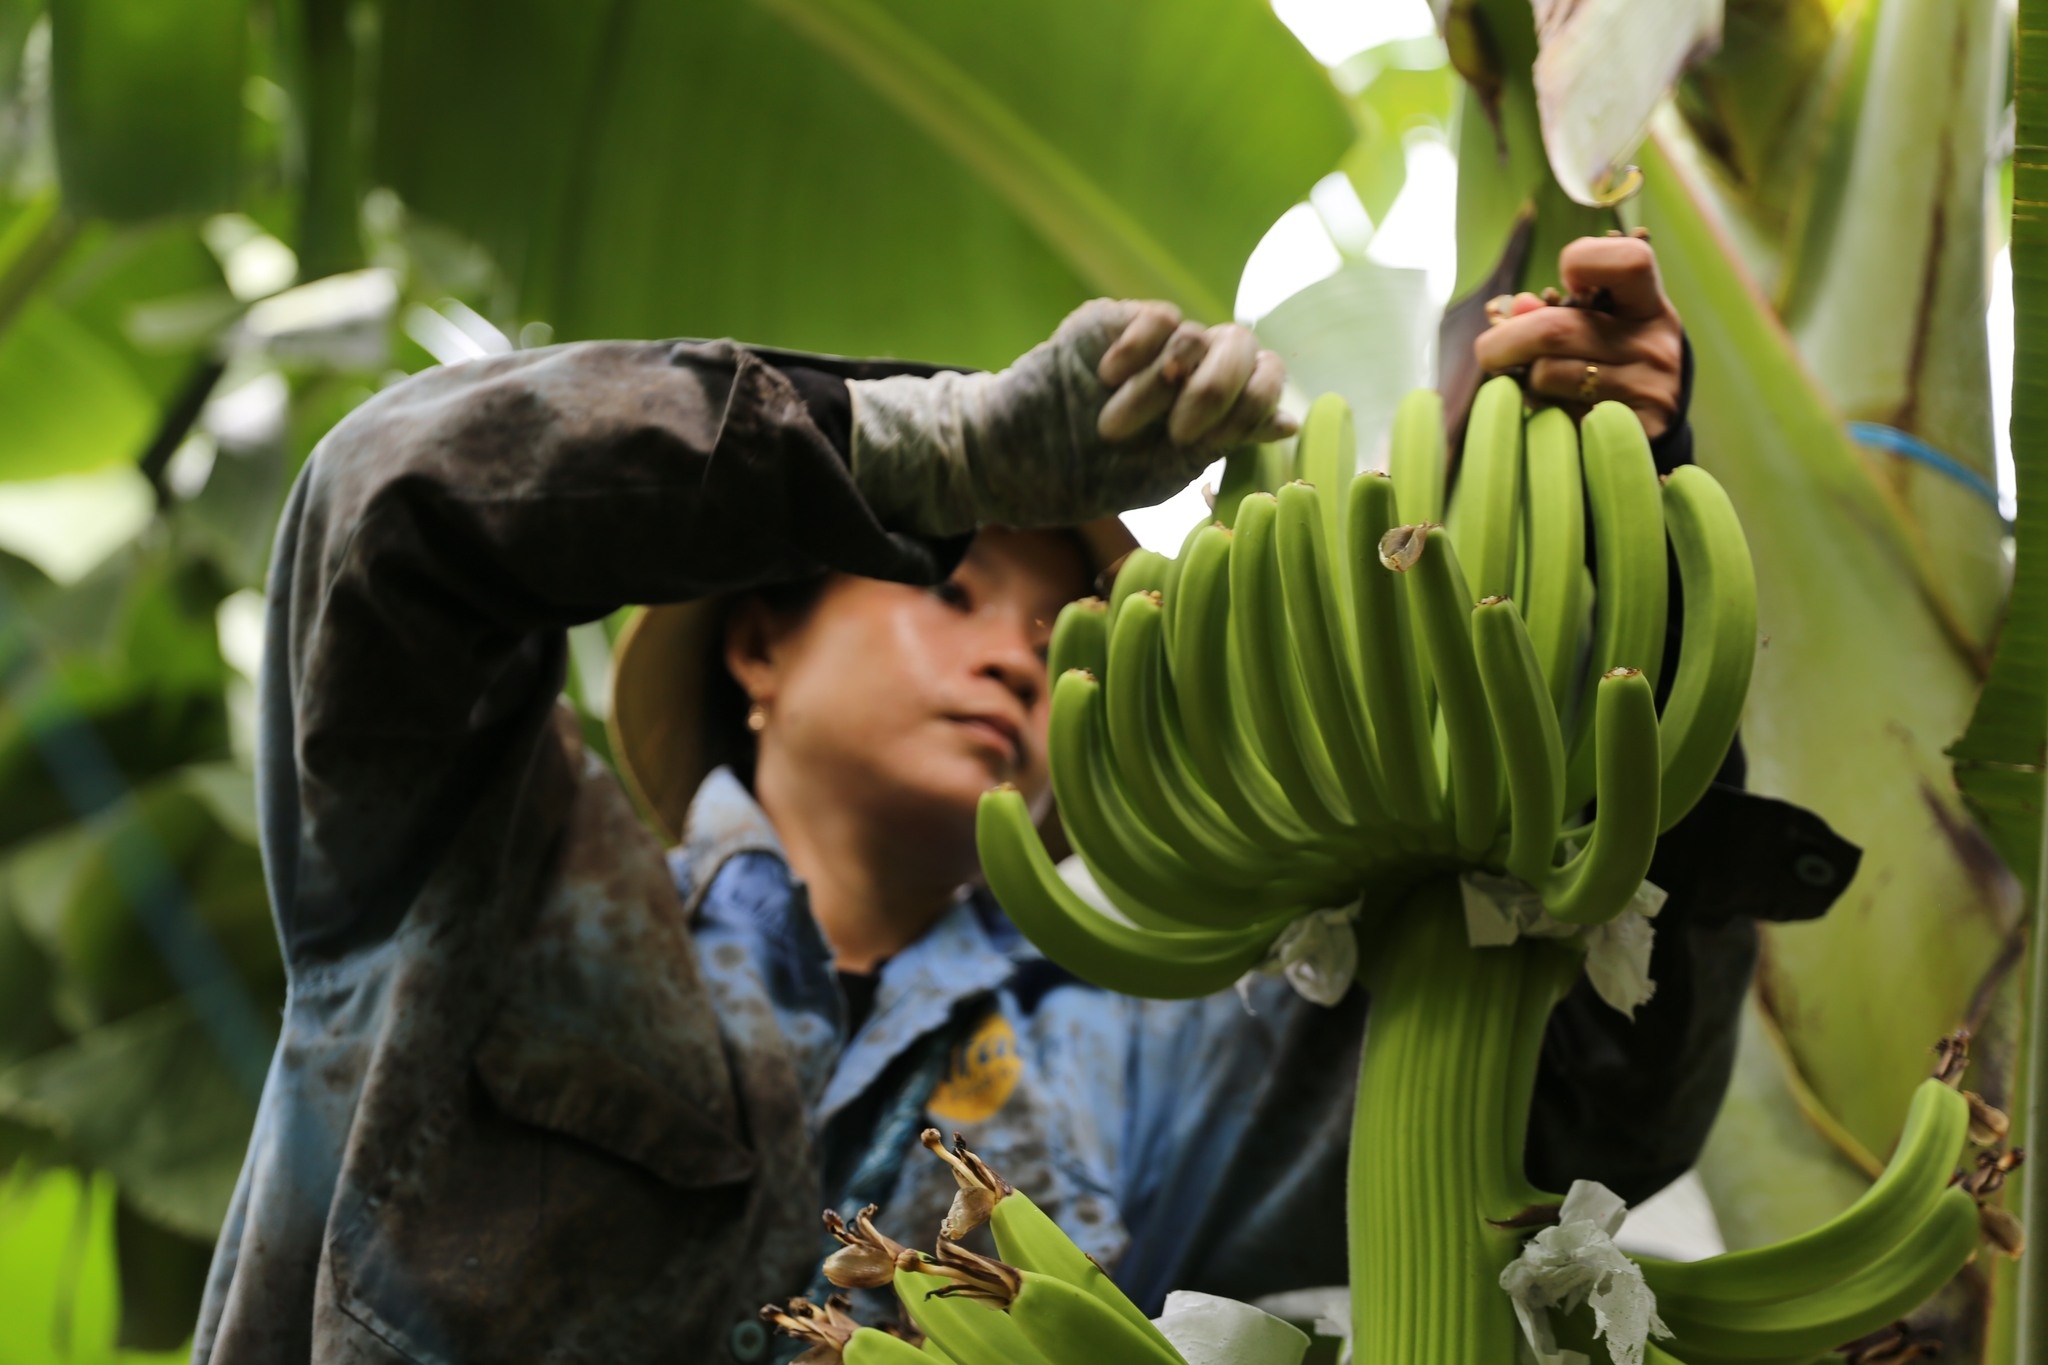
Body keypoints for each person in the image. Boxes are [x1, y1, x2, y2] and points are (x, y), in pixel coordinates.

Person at [193, 237, 1853, 1364]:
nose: (1016, 659)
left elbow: (1576, 1106)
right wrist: (950, 448)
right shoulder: (494, 875)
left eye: (1064, 637)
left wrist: (1592, 537)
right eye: (953, 588)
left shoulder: (1132, 1046)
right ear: (759, 642)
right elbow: (390, 507)